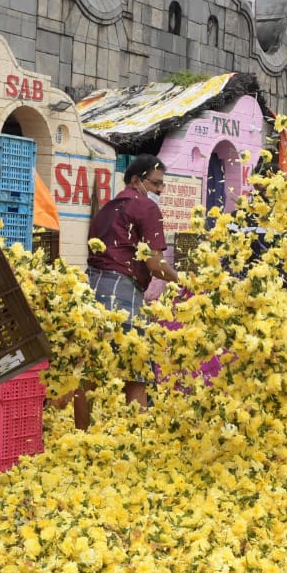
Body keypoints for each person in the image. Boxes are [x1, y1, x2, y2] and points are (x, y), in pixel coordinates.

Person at [75, 154, 180, 428]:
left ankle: (80, 438)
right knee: (137, 372)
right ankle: (136, 444)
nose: (159, 190)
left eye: (162, 185)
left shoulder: (109, 208)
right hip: (121, 291)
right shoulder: (145, 207)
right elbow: (155, 265)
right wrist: (181, 280)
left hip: (92, 289)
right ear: (136, 180)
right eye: (156, 183)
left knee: (90, 372)